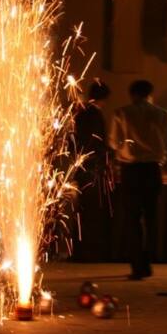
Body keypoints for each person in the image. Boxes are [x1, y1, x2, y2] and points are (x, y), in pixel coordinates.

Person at [109, 80, 167, 280]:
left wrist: (127, 148)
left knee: (132, 219)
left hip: (131, 171)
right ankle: (149, 260)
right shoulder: (164, 115)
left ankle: (138, 265)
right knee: (151, 217)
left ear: (132, 94)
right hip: (153, 170)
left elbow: (114, 142)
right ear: (150, 94)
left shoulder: (121, 113)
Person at [72, 79, 112, 262]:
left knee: (81, 209)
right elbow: (97, 142)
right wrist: (105, 160)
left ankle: (79, 250)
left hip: (80, 165)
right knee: (91, 211)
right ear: (104, 98)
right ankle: (88, 252)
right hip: (91, 167)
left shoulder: (80, 112)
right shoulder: (95, 114)